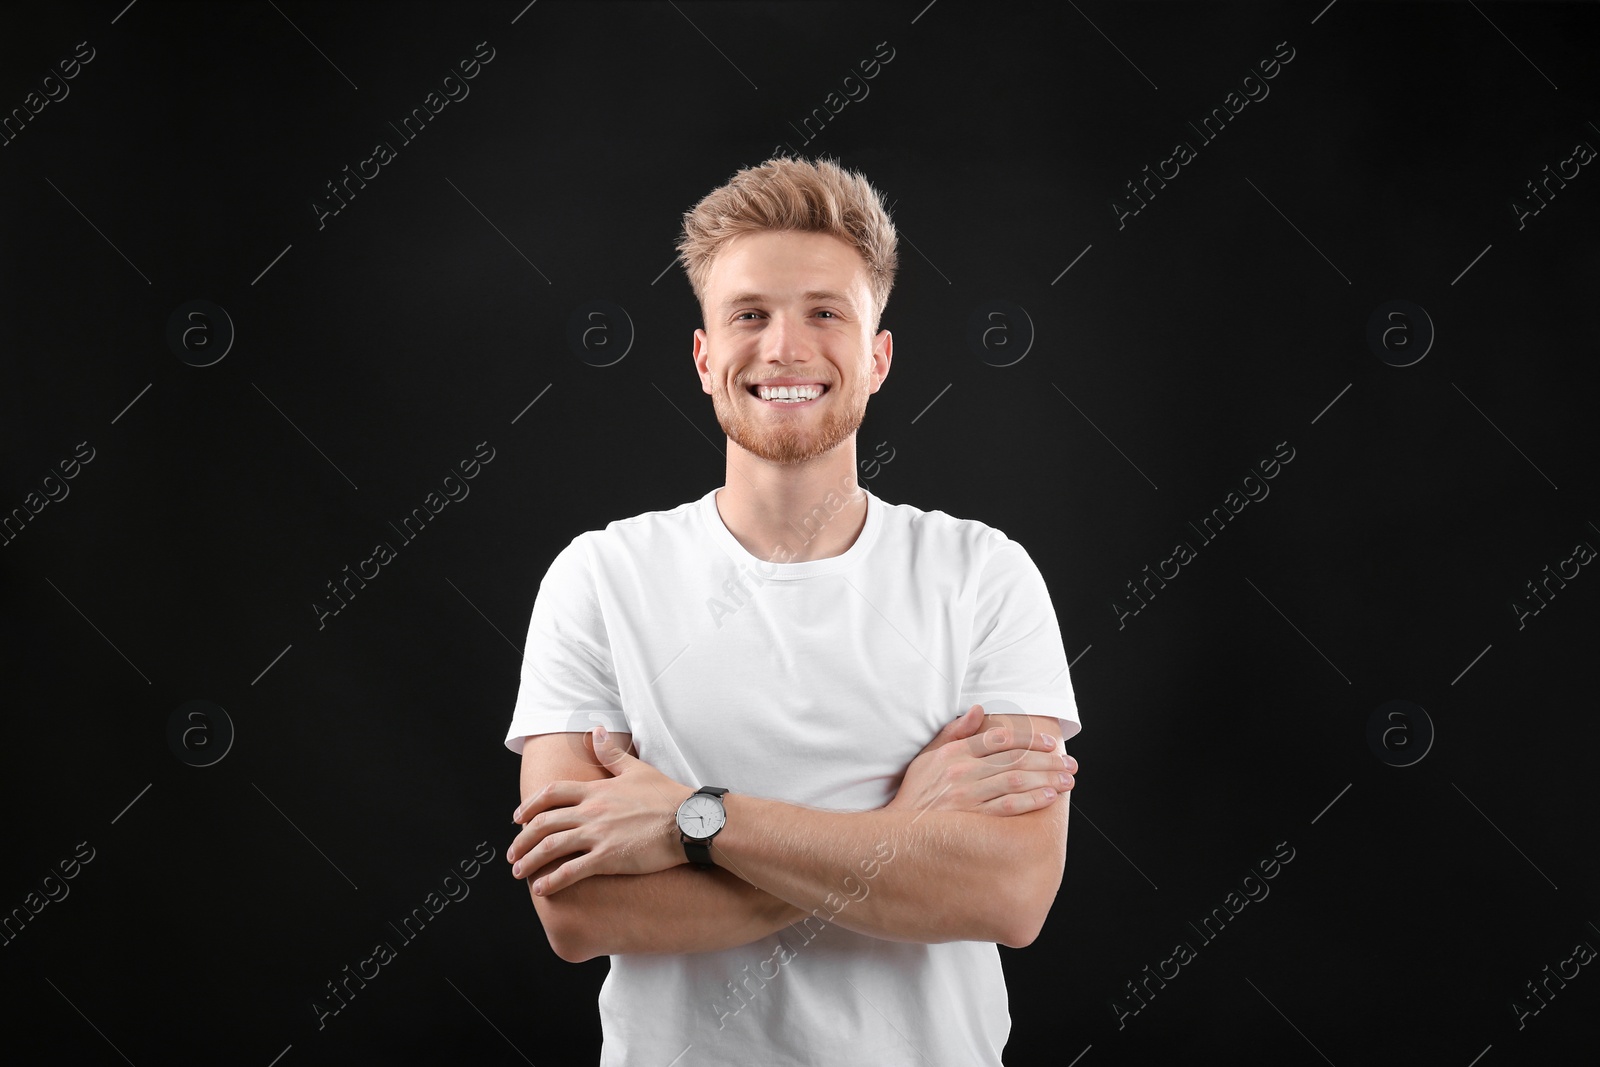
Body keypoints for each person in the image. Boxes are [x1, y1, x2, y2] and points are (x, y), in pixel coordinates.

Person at [504, 155, 1081, 1066]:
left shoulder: (984, 575)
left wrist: (693, 821)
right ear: (703, 357)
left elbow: (1010, 894)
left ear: (878, 357)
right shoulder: (600, 577)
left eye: (825, 312)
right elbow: (578, 912)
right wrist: (898, 838)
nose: (784, 348)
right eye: (749, 314)